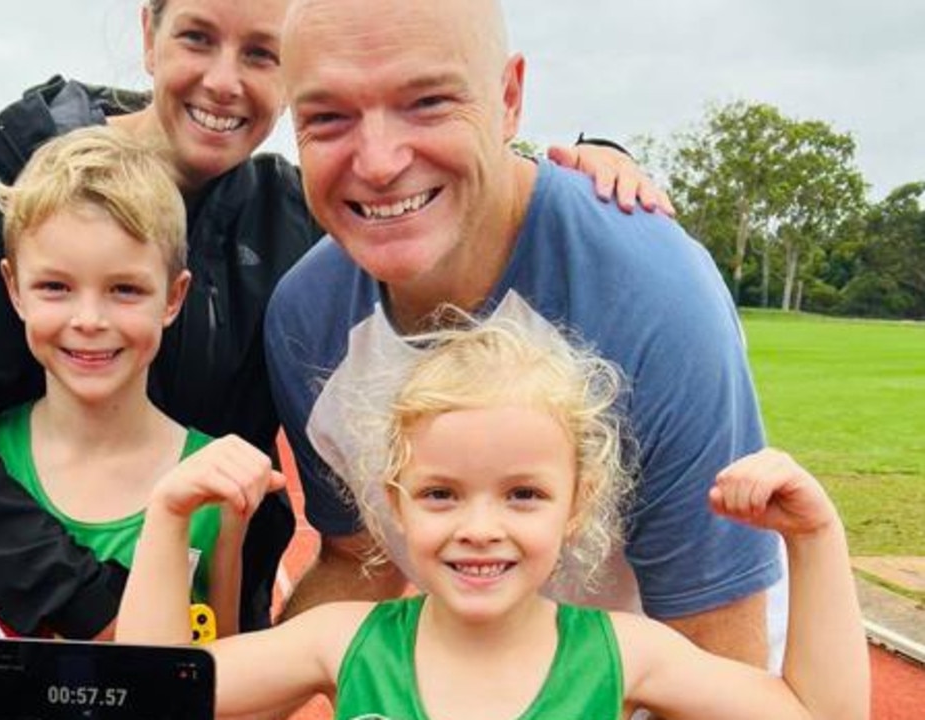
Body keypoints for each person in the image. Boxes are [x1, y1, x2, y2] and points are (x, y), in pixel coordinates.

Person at [0, 0, 664, 641]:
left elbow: (436, 196)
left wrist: (588, 162)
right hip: (32, 625)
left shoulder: (295, 217)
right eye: (197, 38)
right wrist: (95, 606)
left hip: (210, 621)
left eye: (261, 54)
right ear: (148, 34)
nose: (223, 81)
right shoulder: (30, 178)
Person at [264, 0, 782, 670]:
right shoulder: (308, 315)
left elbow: (719, 652)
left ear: (509, 99)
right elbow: (356, 563)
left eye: (426, 102)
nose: (380, 161)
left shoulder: (654, 299)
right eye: (328, 116)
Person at [119, 299, 869, 720]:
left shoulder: (623, 652)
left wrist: (817, 538)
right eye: (443, 493)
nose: (481, 527)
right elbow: (146, 704)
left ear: (576, 507)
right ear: (396, 507)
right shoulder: (344, 643)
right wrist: (166, 518)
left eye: (524, 494)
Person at [0, 126, 282, 720]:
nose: (89, 319)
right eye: (55, 287)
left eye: (125, 289)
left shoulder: (212, 490)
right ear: (13, 290)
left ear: (173, 298)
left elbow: (215, 677)